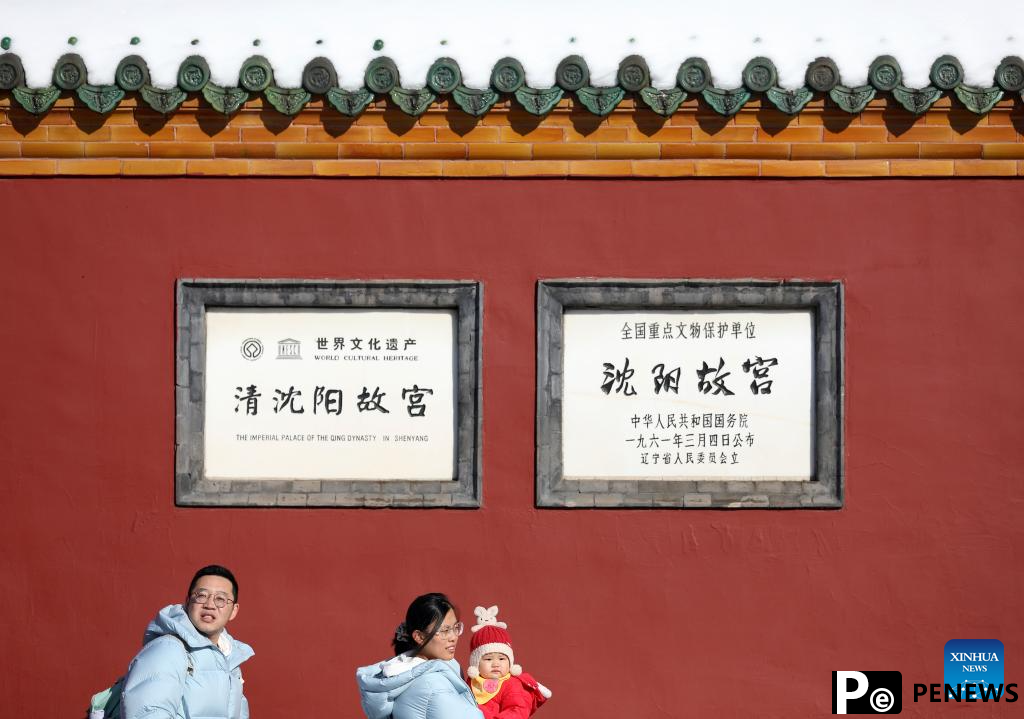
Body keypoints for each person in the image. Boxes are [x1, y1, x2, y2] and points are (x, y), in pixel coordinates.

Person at [120, 565, 254, 719]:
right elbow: (145, 713)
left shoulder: (230, 659)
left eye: (220, 599)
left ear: (234, 611)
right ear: (188, 601)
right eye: (201, 595)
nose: (209, 605)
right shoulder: (168, 649)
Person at [356, 592, 483, 719]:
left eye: (456, 627)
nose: (453, 637)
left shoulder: (403, 673)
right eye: (444, 630)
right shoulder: (433, 686)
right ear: (420, 637)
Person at [465, 606, 551, 719]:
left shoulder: (512, 684)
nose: (496, 664)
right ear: (476, 665)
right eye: (488, 659)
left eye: (501, 659)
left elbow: (517, 710)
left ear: (510, 662)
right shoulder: (473, 683)